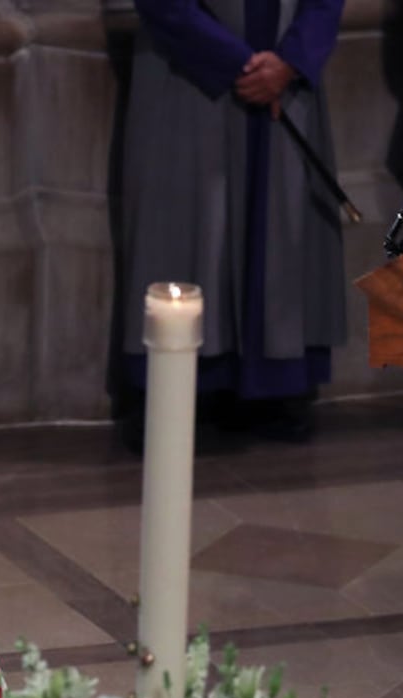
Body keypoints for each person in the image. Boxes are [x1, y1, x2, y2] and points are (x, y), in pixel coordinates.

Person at [116, 0, 347, 448]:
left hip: (285, 75)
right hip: (188, 75)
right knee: (189, 227)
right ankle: (188, 386)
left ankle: (274, 387)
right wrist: (235, 62)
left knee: (284, 226)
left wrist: (292, 60)